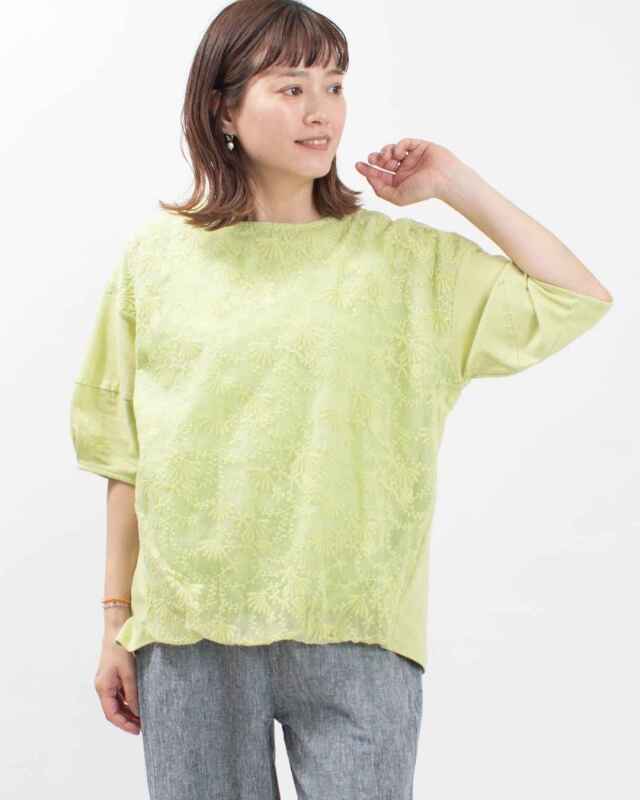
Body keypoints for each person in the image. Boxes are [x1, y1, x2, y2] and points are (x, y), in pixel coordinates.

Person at [69, 1, 614, 798]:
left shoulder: (402, 262)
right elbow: (124, 456)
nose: (320, 110)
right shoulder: (157, 262)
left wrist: (454, 184)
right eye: (291, 88)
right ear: (223, 109)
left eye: (333, 84)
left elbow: (575, 296)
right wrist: (116, 621)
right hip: (190, 631)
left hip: (357, 625)